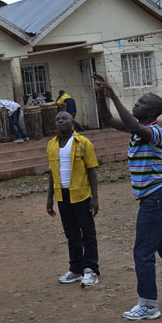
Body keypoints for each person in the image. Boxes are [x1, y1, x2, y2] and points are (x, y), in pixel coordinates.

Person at [93, 73, 162, 320]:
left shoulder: (156, 133)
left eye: (140, 103)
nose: (135, 105)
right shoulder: (139, 130)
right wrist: (101, 95)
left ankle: (148, 306)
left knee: (142, 252)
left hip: (156, 197)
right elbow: (109, 119)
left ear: (151, 113)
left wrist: (114, 94)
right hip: (155, 197)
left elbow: (132, 124)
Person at [46, 111, 100, 287]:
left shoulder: (83, 143)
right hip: (63, 195)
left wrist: (95, 198)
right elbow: (52, 174)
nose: (60, 121)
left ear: (72, 122)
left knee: (88, 233)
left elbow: (92, 170)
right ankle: (75, 269)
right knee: (71, 234)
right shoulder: (52, 145)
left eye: (64, 119)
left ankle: (91, 269)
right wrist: (49, 198)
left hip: (82, 194)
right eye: (57, 119)